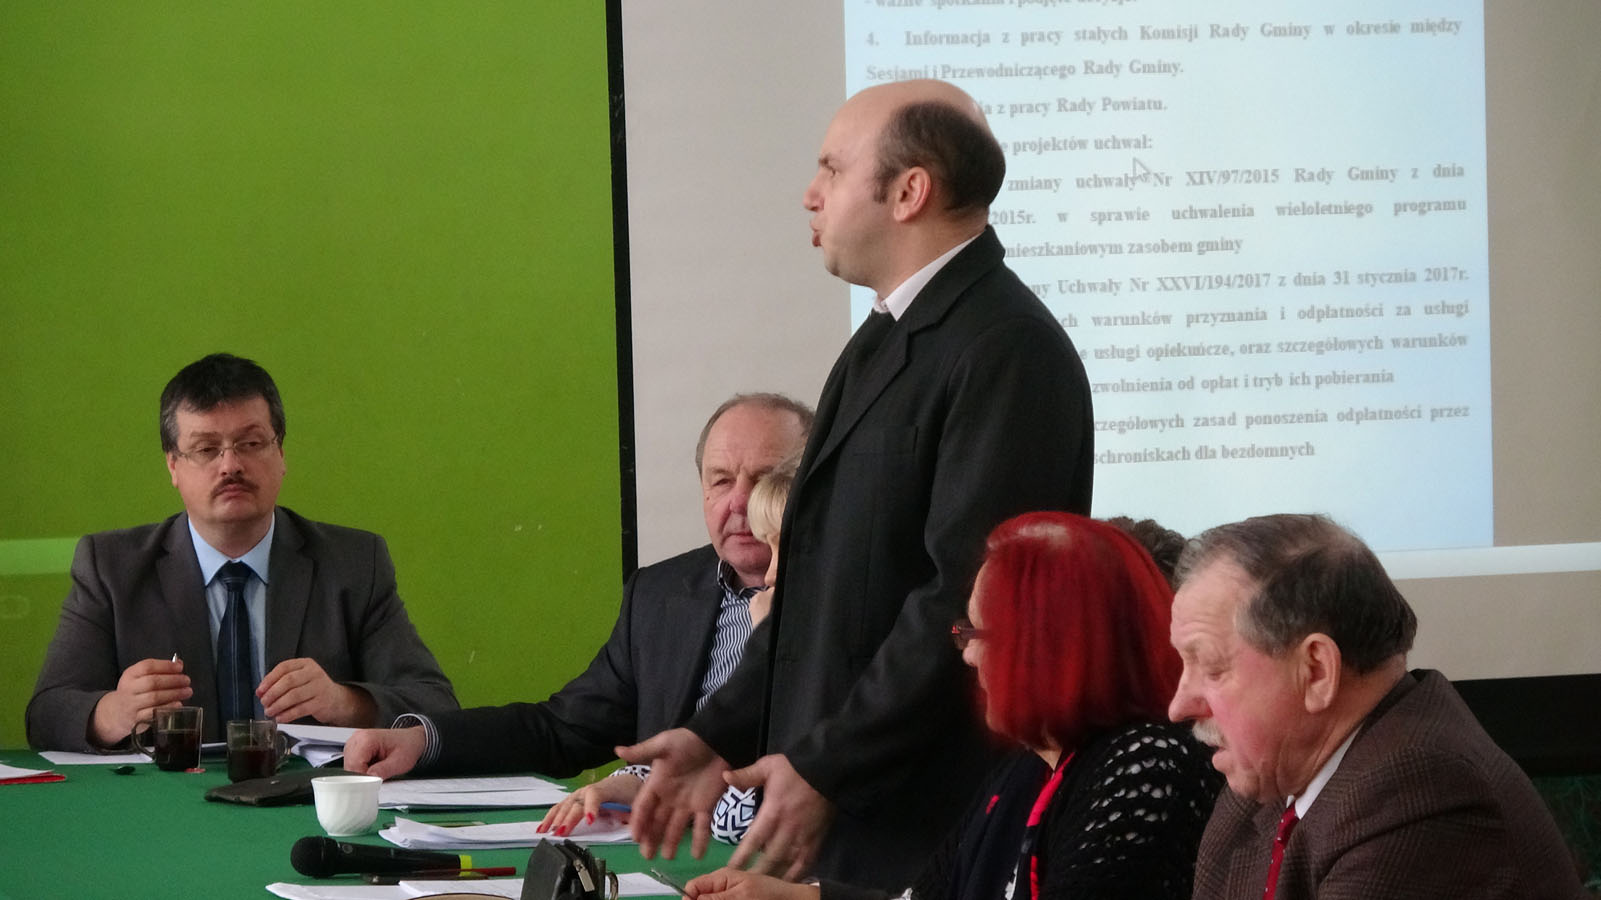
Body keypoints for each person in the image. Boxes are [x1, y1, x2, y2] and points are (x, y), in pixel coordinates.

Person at [623, 79, 1094, 887]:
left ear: (909, 192)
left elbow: (962, 602)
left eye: (832, 169)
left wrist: (828, 765)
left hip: (920, 824)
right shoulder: (881, 338)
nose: (810, 194)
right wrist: (714, 734)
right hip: (847, 810)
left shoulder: (1006, 348)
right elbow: (818, 595)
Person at [688, 512, 1220, 900]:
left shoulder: (1145, 762)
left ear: (1050, 646)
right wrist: (798, 898)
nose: (967, 654)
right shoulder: (1027, 768)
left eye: (980, 632)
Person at [342, 395, 812, 798]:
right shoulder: (661, 594)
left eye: (765, 479)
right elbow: (563, 728)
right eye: (721, 480)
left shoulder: (841, 604)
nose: (739, 502)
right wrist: (424, 741)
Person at [26, 353, 458, 750]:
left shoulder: (353, 564)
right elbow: (46, 715)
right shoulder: (111, 568)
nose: (230, 465)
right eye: (206, 449)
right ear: (173, 465)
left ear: (281, 453)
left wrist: (344, 703)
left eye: (250, 444)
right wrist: (115, 713)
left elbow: (436, 705)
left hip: (299, 797)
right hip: (165, 799)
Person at [1167, 514, 1588, 899]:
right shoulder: (1263, 785)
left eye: (1212, 668)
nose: (1179, 706)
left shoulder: (1419, 793)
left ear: (1316, 671)